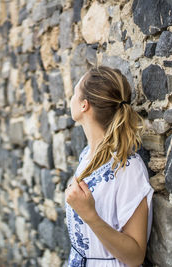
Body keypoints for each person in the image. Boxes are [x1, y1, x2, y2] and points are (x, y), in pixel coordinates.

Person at [64, 65, 154, 267]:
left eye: (74, 93)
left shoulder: (128, 167)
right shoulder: (86, 156)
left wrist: (90, 216)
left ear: (84, 105)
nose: (71, 99)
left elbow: (135, 256)